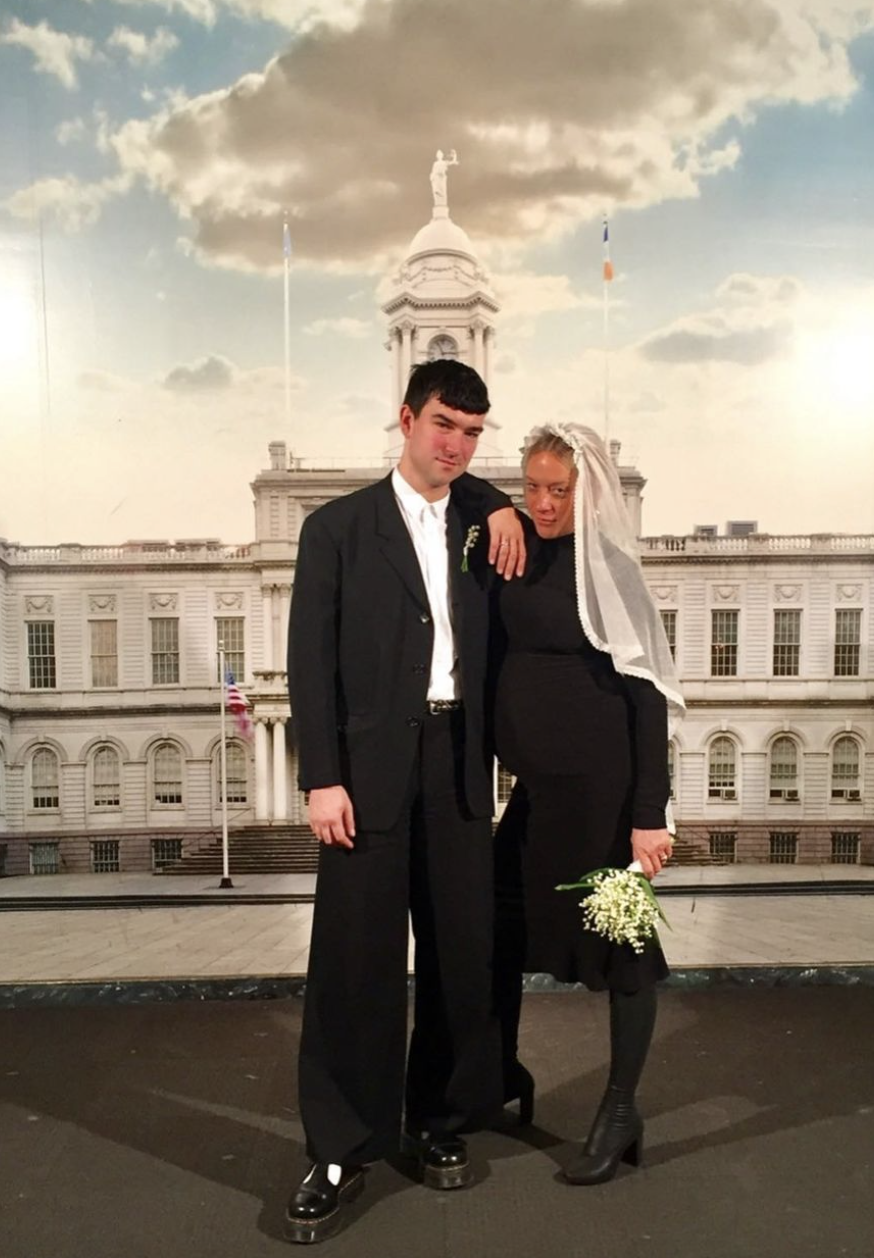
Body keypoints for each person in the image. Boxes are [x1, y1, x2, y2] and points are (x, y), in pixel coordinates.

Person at [284, 359, 526, 1245]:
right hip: (367, 772)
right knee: (356, 964)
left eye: (472, 433)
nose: (456, 445)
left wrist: (499, 499)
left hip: (458, 765)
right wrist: (322, 776)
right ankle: (341, 1148)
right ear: (405, 419)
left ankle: (436, 1119)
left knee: (461, 954)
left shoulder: (482, 521)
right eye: (442, 425)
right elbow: (310, 660)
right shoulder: (336, 529)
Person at [492, 422, 685, 1185]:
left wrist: (649, 815)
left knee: (625, 952)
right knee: (497, 928)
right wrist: (497, 511)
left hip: (605, 800)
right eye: (531, 487)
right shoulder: (516, 550)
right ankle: (500, 1073)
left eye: (558, 490)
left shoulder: (611, 570)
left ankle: (621, 1109)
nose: (542, 503)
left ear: (589, 492)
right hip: (538, 797)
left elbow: (647, 699)